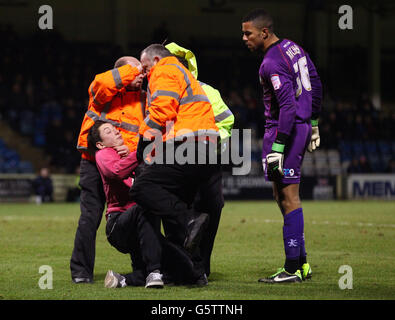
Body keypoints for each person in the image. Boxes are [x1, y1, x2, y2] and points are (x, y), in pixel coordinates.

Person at [242, 8, 322, 283]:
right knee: (283, 196)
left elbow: (287, 106)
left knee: (288, 197)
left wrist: (278, 146)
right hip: (297, 128)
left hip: (283, 131)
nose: (244, 38)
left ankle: (292, 269)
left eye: (248, 33)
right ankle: (301, 265)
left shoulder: (271, 62)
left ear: (264, 32)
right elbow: (316, 82)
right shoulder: (293, 48)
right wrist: (313, 121)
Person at [130, 44, 220, 284]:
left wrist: (143, 140)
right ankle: (196, 273)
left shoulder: (165, 70)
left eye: (146, 67)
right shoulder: (184, 74)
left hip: (188, 144)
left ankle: (189, 219)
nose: (146, 74)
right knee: (173, 204)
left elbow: (162, 109)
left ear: (156, 59)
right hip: (205, 148)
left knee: (142, 188)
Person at [89, 120, 203, 288]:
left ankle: (123, 279)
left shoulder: (130, 154)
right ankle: (153, 272)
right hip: (119, 225)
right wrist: (138, 154)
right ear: (100, 144)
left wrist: (135, 154)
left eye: (115, 129)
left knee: (188, 272)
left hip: (144, 226)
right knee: (146, 204)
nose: (116, 132)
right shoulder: (104, 155)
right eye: (108, 132)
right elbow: (116, 171)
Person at [70, 56, 145, 284]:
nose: (141, 74)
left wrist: (126, 151)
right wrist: (134, 69)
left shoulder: (144, 99)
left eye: (142, 71)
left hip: (122, 167)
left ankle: (142, 268)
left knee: (133, 213)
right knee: (90, 217)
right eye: (135, 70)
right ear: (122, 72)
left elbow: (142, 135)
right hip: (93, 163)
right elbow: (102, 83)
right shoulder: (101, 90)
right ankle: (81, 273)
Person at [165, 42, 235, 277]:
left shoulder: (206, 91)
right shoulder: (158, 92)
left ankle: (200, 268)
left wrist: (207, 145)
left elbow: (225, 122)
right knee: (179, 214)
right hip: (173, 163)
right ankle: (183, 268)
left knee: (211, 209)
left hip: (205, 161)